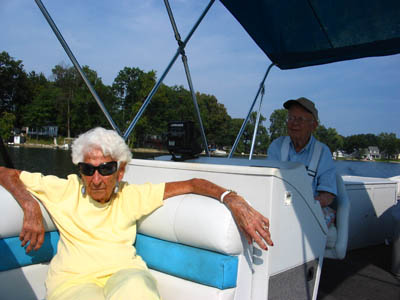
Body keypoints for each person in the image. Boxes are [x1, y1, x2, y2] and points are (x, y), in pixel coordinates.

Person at [0, 127, 273, 300]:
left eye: (106, 169)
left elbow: (192, 184)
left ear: (120, 171)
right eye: (88, 169)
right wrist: (30, 205)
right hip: (73, 280)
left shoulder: (132, 195)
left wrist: (232, 198)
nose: (96, 179)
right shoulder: (63, 189)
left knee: (138, 290)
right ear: (79, 170)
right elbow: (5, 173)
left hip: (125, 274)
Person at [267, 97, 337, 225]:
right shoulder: (276, 146)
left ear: (314, 125)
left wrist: (301, 206)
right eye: (291, 118)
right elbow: (267, 184)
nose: (294, 123)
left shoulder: (323, 152)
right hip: (276, 204)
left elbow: (328, 196)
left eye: (300, 119)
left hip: (309, 207)